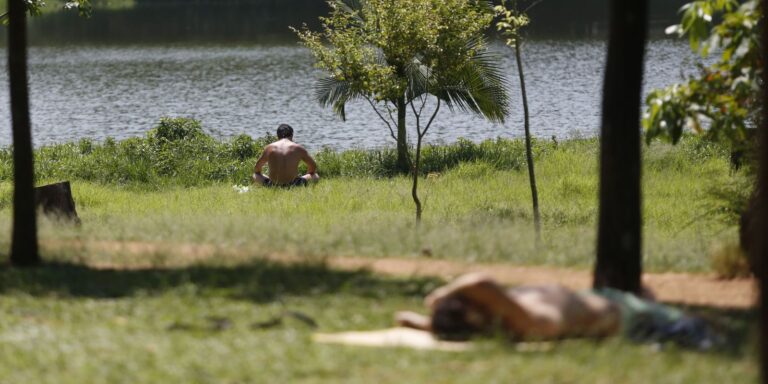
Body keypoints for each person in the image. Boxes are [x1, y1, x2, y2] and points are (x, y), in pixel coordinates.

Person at [395, 273, 719, 349]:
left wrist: (426, 324)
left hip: (602, 299)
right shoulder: (533, 323)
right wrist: (442, 294)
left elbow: (474, 310)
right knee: (702, 328)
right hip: (630, 317)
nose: (476, 301)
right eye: (473, 305)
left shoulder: (508, 314)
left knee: (645, 293)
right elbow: (482, 283)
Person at [252, 124, 320, 187]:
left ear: (278, 136)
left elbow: (257, 168)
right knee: (315, 176)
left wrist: (264, 176)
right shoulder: (298, 148)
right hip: (294, 184)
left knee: (255, 175)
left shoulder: (269, 148)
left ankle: (267, 186)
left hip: (274, 184)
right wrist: (307, 174)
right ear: (292, 135)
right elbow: (313, 166)